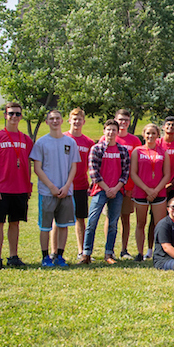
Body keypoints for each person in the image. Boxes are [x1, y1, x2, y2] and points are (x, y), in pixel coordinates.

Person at [0, 101, 34, 269]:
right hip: (1, 189)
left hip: (20, 188)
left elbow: (28, 163)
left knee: (15, 222)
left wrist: (28, 185)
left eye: (17, 114)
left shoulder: (26, 139)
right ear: (5, 115)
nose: (14, 116)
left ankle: (13, 256)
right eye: (11, 113)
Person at [29, 109, 78, 267]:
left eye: (57, 118)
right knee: (45, 227)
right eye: (51, 119)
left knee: (63, 225)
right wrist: (51, 186)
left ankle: (59, 256)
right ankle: (45, 257)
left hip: (66, 192)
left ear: (62, 121)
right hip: (47, 192)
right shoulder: (41, 143)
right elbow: (37, 168)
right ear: (47, 122)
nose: (55, 121)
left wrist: (66, 186)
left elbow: (73, 167)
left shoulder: (70, 142)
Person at [83, 119, 131, 265]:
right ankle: (86, 254)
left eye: (113, 130)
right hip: (100, 191)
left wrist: (115, 189)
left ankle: (109, 253)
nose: (111, 132)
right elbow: (94, 173)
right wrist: (106, 188)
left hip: (117, 192)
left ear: (117, 132)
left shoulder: (122, 150)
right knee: (92, 222)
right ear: (104, 131)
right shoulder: (96, 149)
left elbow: (125, 173)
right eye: (108, 130)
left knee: (113, 224)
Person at [130, 123, 170, 261]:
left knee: (159, 225)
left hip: (159, 192)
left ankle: (158, 253)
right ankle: (140, 253)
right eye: (148, 133)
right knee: (141, 223)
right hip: (141, 192)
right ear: (143, 135)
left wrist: (156, 190)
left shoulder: (163, 152)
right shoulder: (137, 151)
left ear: (158, 135)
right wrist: (147, 190)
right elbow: (133, 174)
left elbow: (167, 174)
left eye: (153, 133)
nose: (150, 136)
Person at [66, 108, 95, 261]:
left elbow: (92, 165)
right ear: (69, 120)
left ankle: (81, 250)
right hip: (63, 186)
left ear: (84, 122)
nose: (77, 122)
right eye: (74, 119)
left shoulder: (88, 142)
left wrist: (92, 181)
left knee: (80, 218)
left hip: (81, 185)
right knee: (59, 220)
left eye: (80, 119)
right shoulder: (63, 138)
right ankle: (56, 251)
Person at [113, 108, 141, 260]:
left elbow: (136, 166)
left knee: (125, 219)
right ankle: (109, 249)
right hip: (111, 187)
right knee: (111, 219)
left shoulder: (134, 141)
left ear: (129, 122)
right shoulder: (109, 138)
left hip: (128, 187)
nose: (123, 123)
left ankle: (124, 249)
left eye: (125, 120)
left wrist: (131, 186)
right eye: (120, 120)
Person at [157, 116, 174, 200]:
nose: (171, 126)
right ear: (163, 127)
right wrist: (163, 183)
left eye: (173, 125)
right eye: (168, 124)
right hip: (159, 184)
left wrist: (172, 183)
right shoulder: (157, 143)